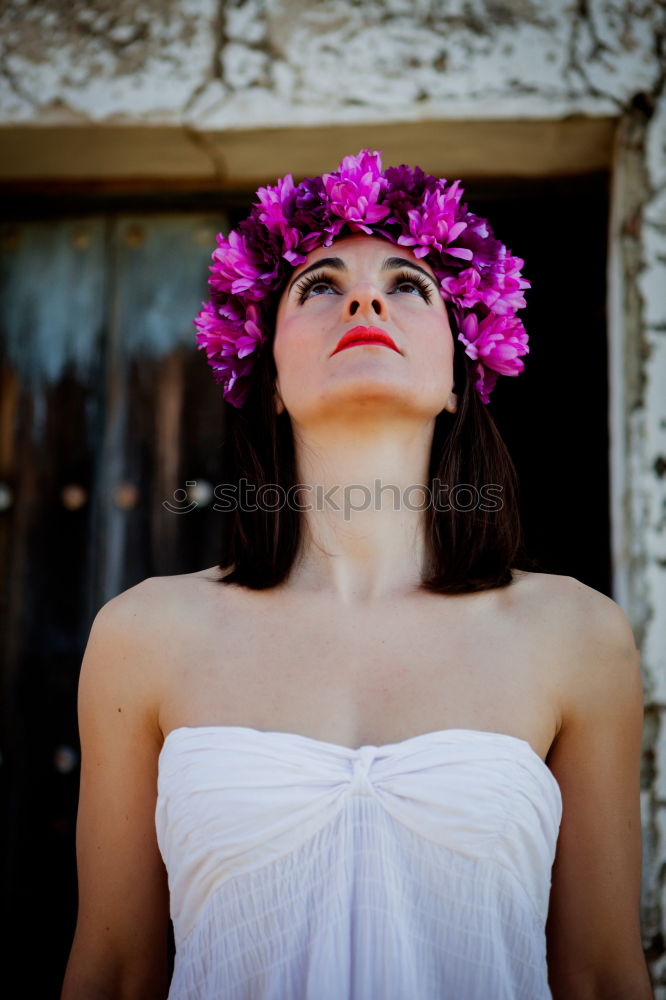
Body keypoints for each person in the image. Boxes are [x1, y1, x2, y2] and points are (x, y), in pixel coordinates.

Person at [62, 149, 652, 999]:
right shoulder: (143, 635)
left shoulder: (576, 636)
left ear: (461, 373)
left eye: (410, 284)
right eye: (319, 285)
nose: (365, 300)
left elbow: (600, 976)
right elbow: (115, 972)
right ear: (266, 377)